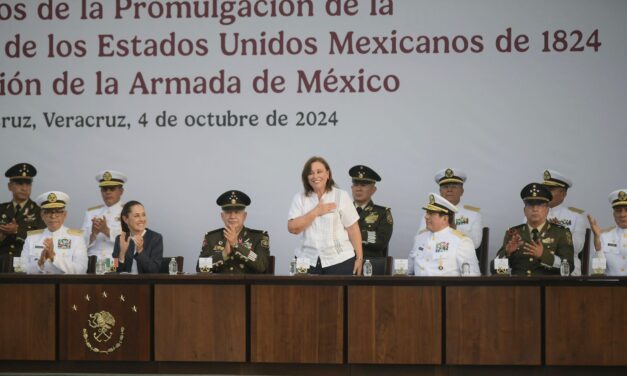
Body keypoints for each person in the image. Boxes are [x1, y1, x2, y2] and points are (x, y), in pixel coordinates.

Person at [288, 156, 364, 275]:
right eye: (311, 173)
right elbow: (292, 228)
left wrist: (359, 258)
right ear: (306, 177)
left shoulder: (341, 196)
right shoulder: (300, 198)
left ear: (328, 174)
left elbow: (353, 229)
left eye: (319, 172)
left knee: (338, 294)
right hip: (307, 261)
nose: (315, 176)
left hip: (339, 260)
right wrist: (315, 212)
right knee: (304, 294)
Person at [492, 183, 574, 276]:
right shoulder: (513, 233)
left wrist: (544, 255)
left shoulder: (560, 233)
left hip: (547, 287)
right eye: (530, 205)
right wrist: (507, 253)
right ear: (524, 210)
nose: (535, 209)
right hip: (519, 287)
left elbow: (569, 267)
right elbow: (496, 271)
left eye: (539, 205)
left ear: (547, 210)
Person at [196, 190, 270, 274]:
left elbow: (262, 266)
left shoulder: (258, 237)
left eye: (237, 212)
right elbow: (200, 267)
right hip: (218, 286)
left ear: (244, 216)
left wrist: (236, 245)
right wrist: (224, 254)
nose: (232, 216)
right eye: (228, 212)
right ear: (222, 216)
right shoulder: (211, 238)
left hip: (247, 286)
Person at [408, 193, 480, 276]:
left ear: (445, 218)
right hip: (418, 288)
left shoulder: (461, 241)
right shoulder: (419, 238)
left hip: (446, 288)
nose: (426, 217)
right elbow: (408, 272)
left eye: (431, 214)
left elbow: (472, 278)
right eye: (427, 213)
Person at [22, 191, 88, 274]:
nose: (53, 216)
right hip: (38, 284)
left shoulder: (76, 238)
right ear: (42, 215)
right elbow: (22, 268)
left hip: (65, 285)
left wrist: (54, 258)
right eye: (48, 212)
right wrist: (39, 263)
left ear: (65, 215)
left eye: (57, 212)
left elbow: (81, 269)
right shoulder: (32, 238)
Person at [417, 168, 482, 248]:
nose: (449, 190)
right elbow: (419, 241)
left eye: (454, 187)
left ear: (462, 191)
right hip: (433, 257)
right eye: (445, 187)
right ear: (440, 191)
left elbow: (476, 244)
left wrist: (455, 228)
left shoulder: (473, 215)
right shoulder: (429, 214)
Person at [541, 169, 588, 276]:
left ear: (563, 194)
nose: (545, 193)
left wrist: (560, 232)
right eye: (544, 189)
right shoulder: (531, 215)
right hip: (538, 269)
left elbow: (577, 248)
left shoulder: (576, 216)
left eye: (551, 189)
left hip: (566, 271)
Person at [0, 163, 45, 260]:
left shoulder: (40, 212)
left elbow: (42, 238)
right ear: (9, 186)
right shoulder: (1, 209)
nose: (24, 188)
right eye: (19, 183)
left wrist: (17, 231)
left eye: (28, 184)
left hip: (26, 264)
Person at [349, 165, 393, 258]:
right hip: (343, 264)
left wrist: (350, 233)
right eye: (356, 185)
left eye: (363, 185)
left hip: (369, 265)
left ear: (373, 190)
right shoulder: (342, 211)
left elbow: (381, 242)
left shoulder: (383, 213)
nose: (359, 189)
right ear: (352, 188)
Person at [81, 170, 127, 260]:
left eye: (112, 189)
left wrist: (107, 231)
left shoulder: (129, 212)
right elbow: (80, 243)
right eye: (104, 189)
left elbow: (133, 240)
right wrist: (93, 234)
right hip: (93, 262)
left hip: (116, 262)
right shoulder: (91, 213)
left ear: (121, 191)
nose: (108, 192)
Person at [112, 201, 162, 273]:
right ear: (125, 219)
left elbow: (154, 270)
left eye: (143, 215)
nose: (142, 219)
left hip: (145, 283)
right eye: (136, 216)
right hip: (124, 283)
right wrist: (122, 254)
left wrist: (140, 251)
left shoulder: (155, 238)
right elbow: (114, 269)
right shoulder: (120, 239)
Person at [587, 189, 627, 275]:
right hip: (612, 287)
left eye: (626, 210)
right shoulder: (604, 237)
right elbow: (598, 270)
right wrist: (598, 245)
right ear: (614, 214)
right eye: (618, 210)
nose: (622, 215)